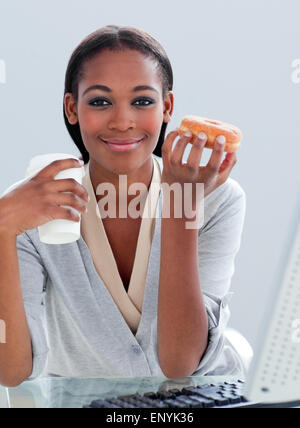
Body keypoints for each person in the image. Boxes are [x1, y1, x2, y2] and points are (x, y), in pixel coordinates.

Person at [0, 25, 247, 387]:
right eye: (100, 101)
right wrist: (3, 229)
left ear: (167, 107)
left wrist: (182, 202)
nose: (122, 121)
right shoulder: (29, 209)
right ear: (72, 108)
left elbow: (179, 363)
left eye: (143, 101)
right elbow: (10, 370)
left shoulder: (217, 197)